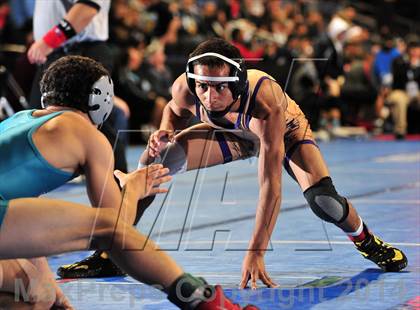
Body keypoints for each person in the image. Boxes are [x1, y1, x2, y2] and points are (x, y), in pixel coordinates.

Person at [138, 38, 408, 289]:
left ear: (238, 82)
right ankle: (116, 244)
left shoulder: (265, 100)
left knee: (324, 201)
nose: (209, 97)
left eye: (220, 87)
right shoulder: (185, 88)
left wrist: (256, 251)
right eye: (203, 87)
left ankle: (367, 241)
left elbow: (270, 185)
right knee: (154, 162)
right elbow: (173, 111)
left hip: (286, 132)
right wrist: (165, 130)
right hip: (234, 135)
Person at [0, 55, 257, 310]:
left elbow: (21, 214)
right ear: (101, 99)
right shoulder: (85, 133)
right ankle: (207, 303)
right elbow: (115, 231)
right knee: (104, 229)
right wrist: (133, 189)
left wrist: (46, 282)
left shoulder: (19, 120)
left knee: (37, 294)